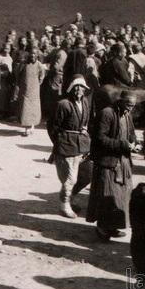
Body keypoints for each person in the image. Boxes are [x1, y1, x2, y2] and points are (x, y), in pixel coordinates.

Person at [87, 90, 139, 241]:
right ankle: (103, 228)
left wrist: (134, 142)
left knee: (122, 197)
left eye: (133, 106)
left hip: (123, 162)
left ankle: (113, 226)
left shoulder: (127, 115)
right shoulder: (107, 113)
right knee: (108, 196)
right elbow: (100, 138)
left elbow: (132, 133)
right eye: (128, 105)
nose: (130, 109)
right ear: (121, 101)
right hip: (108, 162)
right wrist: (123, 144)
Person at [49, 74, 91, 218]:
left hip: (82, 145)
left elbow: (85, 122)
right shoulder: (63, 104)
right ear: (71, 88)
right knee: (70, 178)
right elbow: (53, 127)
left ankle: (70, 199)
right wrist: (59, 143)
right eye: (76, 86)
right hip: (66, 145)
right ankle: (64, 205)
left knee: (85, 175)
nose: (79, 90)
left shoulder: (85, 102)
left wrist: (84, 131)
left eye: (82, 87)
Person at [15, 48, 45, 136]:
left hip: (35, 89)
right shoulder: (23, 64)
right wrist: (20, 84)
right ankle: (27, 127)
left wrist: (37, 83)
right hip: (25, 88)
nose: (33, 55)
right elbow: (17, 73)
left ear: (37, 55)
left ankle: (32, 125)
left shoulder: (39, 65)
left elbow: (42, 76)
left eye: (35, 54)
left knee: (34, 108)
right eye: (31, 54)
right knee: (25, 107)